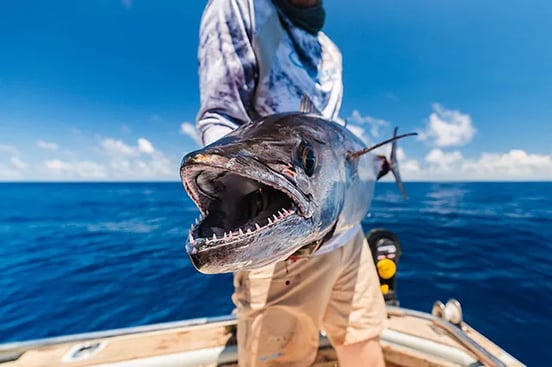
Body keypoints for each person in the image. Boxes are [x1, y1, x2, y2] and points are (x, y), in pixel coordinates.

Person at [195, 0, 387, 366]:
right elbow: (220, 115)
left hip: (346, 233)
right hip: (285, 245)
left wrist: (373, 167)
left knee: (363, 341)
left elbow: (328, 131)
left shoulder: (331, 51)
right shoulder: (238, 6)